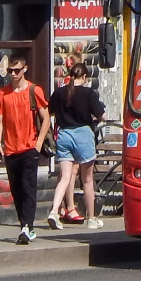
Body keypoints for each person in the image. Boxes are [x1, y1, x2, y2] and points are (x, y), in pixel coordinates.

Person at [0, 59, 49, 244]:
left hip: (29, 147)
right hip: (10, 149)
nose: (13, 74)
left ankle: (27, 226)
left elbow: (46, 118)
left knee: (28, 186)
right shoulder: (2, 93)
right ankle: (24, 224)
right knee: (16, 189)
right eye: (10, 71)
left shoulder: (34, 90)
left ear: (25, 69)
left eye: (16, 70)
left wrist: (38, 143)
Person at [47, 63, 106, 230]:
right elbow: (102, 116)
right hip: (83, 135)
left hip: (64, 135)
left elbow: (49, 112)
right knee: (87, 179)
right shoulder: (89, 93)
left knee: (65, 177)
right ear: (85, 77)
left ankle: (54, 211)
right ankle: (92, 218)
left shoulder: (58, 92)